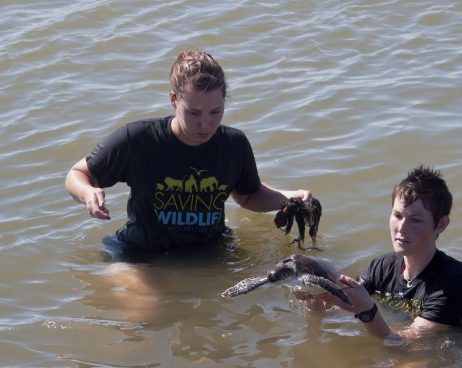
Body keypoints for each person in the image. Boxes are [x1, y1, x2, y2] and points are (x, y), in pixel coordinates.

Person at [65, 49, 311, 254]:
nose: (206, 124)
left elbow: (248, 195)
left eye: (216, 112)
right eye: (194, 113)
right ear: (174, 100)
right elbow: (77, 174)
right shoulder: (138, 140)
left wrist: (289, 199)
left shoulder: (234, 144)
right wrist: (87, 192)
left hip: (211, 252)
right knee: (149, 309)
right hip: (142, 253)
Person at [303, 165, 462, 341]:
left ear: (441, 225)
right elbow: (342, 312)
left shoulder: (456, 283)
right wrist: (316, 304)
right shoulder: (382, 267)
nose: (402, 228)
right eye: (397, 215)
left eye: (416, 220)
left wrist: (367, 311)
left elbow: (402, 343)